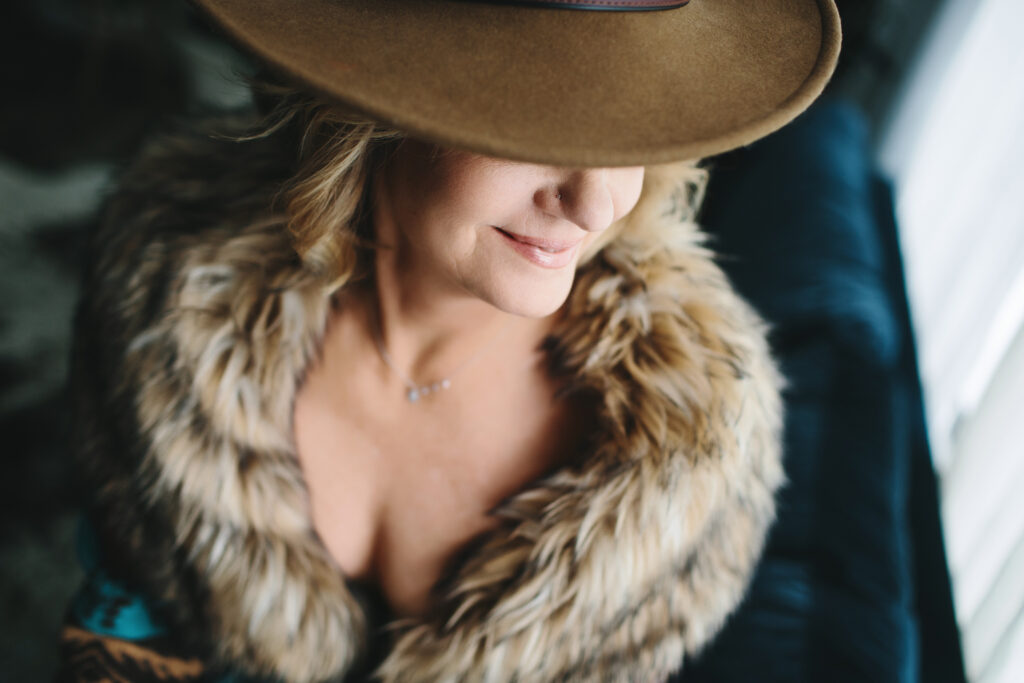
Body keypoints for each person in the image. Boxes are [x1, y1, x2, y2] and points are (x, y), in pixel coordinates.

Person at [58, 1, 840, 681]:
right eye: (539, 124)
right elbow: (125, 621)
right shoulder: (166, 304)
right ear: (380, 106)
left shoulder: (682, 446)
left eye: (630, 130)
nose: (594, 202)